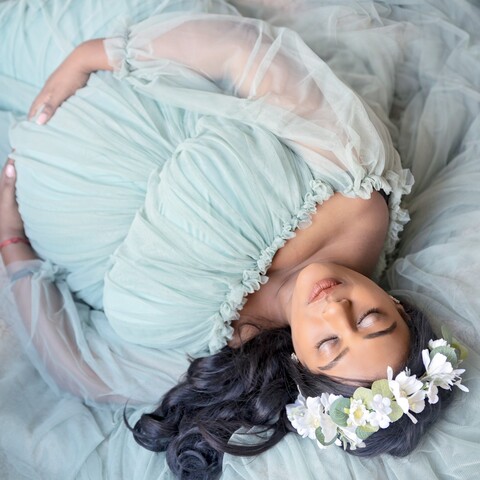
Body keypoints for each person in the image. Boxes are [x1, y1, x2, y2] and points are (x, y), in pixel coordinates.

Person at [0, 9, 468, 480]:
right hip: (103, 47)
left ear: (302, 367)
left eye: (329, 344)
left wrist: (11, 239)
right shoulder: (357, 189)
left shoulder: (228, 350)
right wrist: (94, 54)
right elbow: (245, 56)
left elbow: (80, 366)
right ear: (398, 305)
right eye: (369, 319)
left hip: (15, 162)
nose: (334, 310)